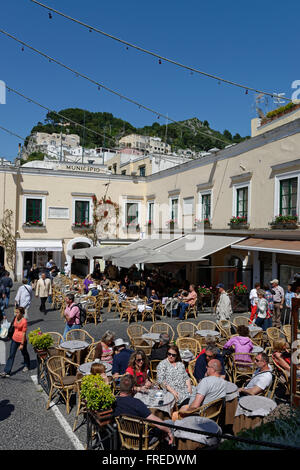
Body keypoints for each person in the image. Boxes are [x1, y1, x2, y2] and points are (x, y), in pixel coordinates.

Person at [113, 374, 173, 445]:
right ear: (132, 389)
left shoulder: (114, 402)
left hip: (124, 438)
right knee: (170, 423)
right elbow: (155, 421)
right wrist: (168, 430)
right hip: (143, 440)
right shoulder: (136, 403)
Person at [0, 307, 31, 377]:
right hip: (14, 339)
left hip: (21, 341)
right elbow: (13, 327)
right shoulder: (15, 318)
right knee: (11, 355)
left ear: (22, 313)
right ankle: (6, 371)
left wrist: (22, 344)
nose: (16, 314)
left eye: (17, 312)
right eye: (15, 312)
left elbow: (23, 333)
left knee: (24, 353)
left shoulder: (24, 321)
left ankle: (27, 365)